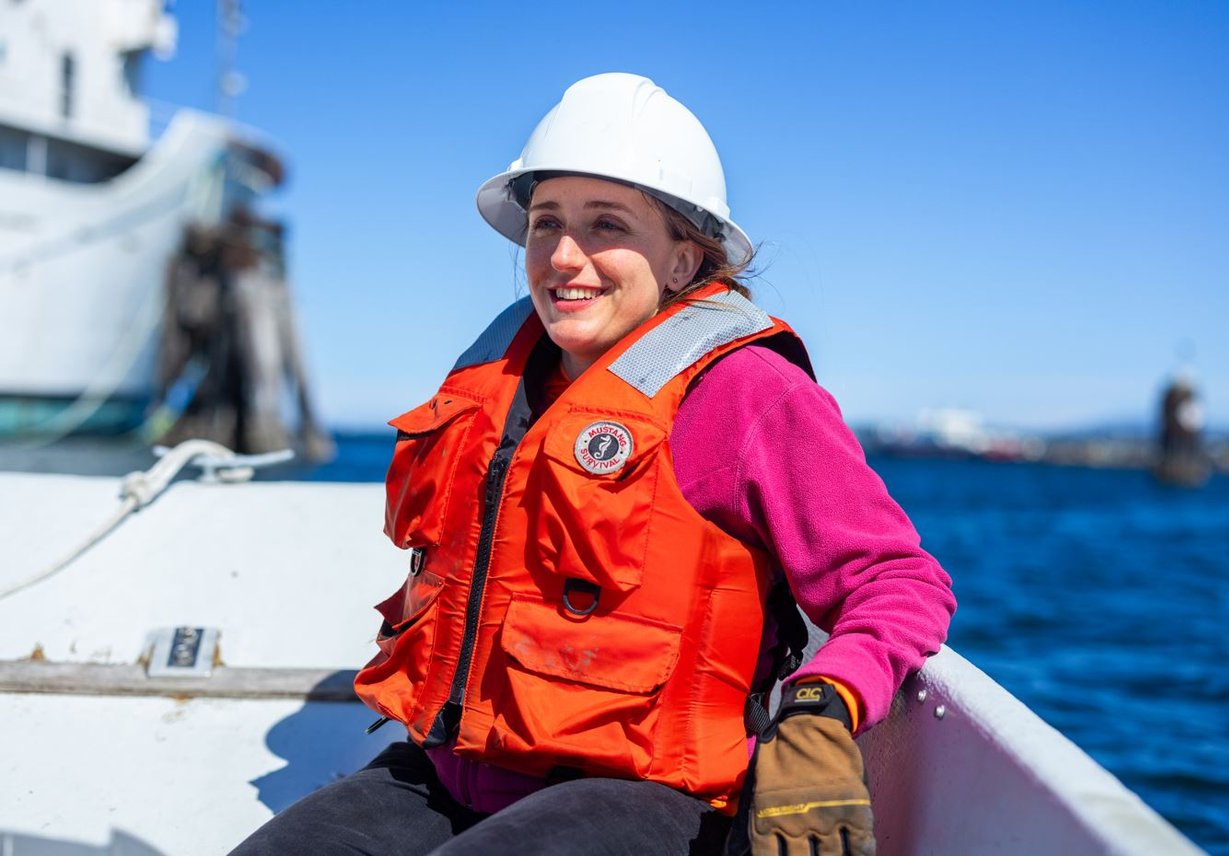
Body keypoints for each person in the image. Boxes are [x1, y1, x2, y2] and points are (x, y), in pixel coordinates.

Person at [232, 72, 954, 856]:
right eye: (546, 223)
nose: (563, 256)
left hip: (647, 798)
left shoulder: (746, 393)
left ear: (683, 261)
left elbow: (897, 582)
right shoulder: (499, 376)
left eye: (606, 224)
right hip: (448, 773)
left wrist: (822, 708)